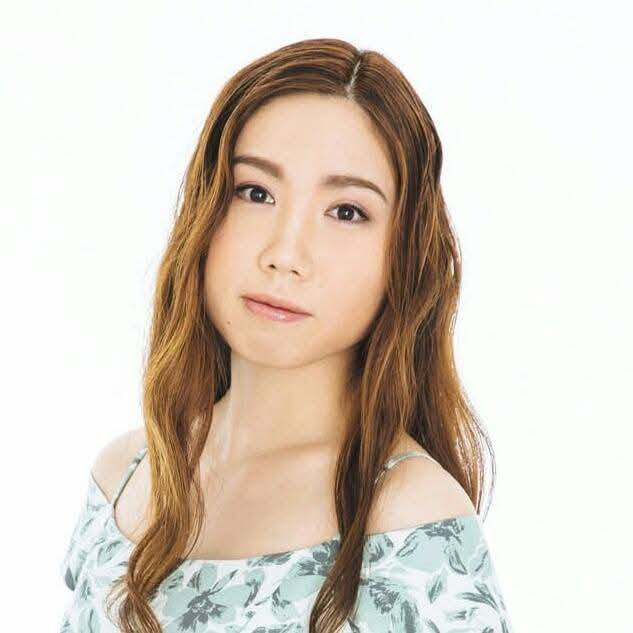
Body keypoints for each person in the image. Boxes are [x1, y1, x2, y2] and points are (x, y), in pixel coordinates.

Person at [59, 37, 514, 632]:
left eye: (346, 211)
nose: (285, 254)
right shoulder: (125, 475)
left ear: (404, 257)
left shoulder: (411, 523)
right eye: (256, 193)